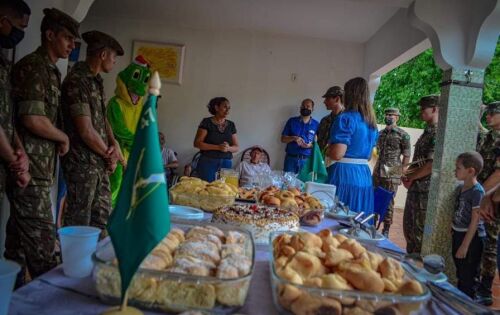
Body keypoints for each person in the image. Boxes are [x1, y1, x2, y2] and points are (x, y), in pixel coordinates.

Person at [5, 8, 79, 287]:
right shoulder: (34, 67)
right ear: (50, 35)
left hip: (38, 168)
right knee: (44, 250)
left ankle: (13, 299)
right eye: (67, 38)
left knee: (17, 247)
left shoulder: (50, 71)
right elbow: (32, 118)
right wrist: (63, 137)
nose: (72, 45)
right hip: (27, 168)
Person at [61, 30, 124, 231]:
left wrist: (114, 144)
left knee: (101, 221)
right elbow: (86, 130)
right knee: (79, 224)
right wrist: (110, 155)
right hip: (82, 164)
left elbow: (102, 119)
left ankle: (95, 263)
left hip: (98, 162)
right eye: (113, 57)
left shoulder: (96, 81)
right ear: (103, 55)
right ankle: (75, 263)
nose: (114, 62)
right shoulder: (78, 80)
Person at [326, 77, 378, 216]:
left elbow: (337, 154)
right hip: (364, 176)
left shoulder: (345, 118)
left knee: (338, 220)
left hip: (344, 175)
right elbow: (368, 156)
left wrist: (328, 148)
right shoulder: (371, 123)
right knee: (359, 222)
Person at [0, 0, 31, 204]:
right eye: (20, 27)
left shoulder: (4, 63)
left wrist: (21, 153)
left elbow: (7, 117)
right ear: (3, 22)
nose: (21, 34)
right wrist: (15, 161)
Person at [402, 95, 439, 255]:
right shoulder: (427, 132)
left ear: (435, 109)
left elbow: (431, 165)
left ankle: (416, 271)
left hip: (425, 193)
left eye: (424, 108)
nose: (420, 111)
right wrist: (406, 174)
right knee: (409, 232)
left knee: (418, 236)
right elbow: (420, 162)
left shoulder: (437, 133)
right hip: (416, 190)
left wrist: (411, 177)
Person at [475, 100, 500, 305]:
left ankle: (485, 289)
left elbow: (499, 173)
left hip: (493, 200)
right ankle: (477, 283)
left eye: (494, 113)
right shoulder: (489, 137)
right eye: (488, 112)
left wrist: (484, 196)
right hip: (485, 196)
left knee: (490, 244)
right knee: (480, 241)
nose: (489, 115)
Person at [372, 108, 411, 237]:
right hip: (378, 170)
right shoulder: (380, 133)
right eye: (387, 114)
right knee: (375, 198)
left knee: (388, 201)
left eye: (391, 115)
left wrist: (402, 171)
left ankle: (386, 229)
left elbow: (406, 155)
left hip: (392, 171)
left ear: (397, 118)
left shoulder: (402, 135)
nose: (388, 116)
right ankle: (372, 224)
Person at [451, 151, 485, 298]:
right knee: (460, 271)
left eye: (458, 168)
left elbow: (475, 220)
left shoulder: (477, 192)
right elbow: (459, 209)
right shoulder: (461, 188)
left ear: (471, 171)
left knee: (468, 277)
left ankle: (467, 305)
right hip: (459, 234)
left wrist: (464, 245)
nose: (455, 170)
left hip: (471, 239)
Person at [194, 97, 239, 182]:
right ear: (216, 107)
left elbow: (236, 147)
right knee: (207, 189)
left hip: (226, 163)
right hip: (208, 162)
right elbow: (197, 143)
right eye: (225, 107)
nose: (227, 110)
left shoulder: (231, 125)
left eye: (229, 108)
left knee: (225, 191)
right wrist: (218, 147)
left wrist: (228, 148)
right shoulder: (206, 122)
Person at [281, 98, 319, 173]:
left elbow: (318, 144)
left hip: (307, 161)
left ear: (312, 109)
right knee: (287, 184)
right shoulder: (291, 121)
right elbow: (283, 139)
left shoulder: (316, 125)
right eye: (303, 106)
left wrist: (309, 146)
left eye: (308, 106)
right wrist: (293, 138)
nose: (305, 108)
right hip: (290, 159)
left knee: (304, 184)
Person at [317, 86, 344, 153]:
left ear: (337, 99)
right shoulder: (324, 120)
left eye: (327, 99)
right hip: (322, 160)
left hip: (337, 161)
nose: (324, 102)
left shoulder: (347, 121)